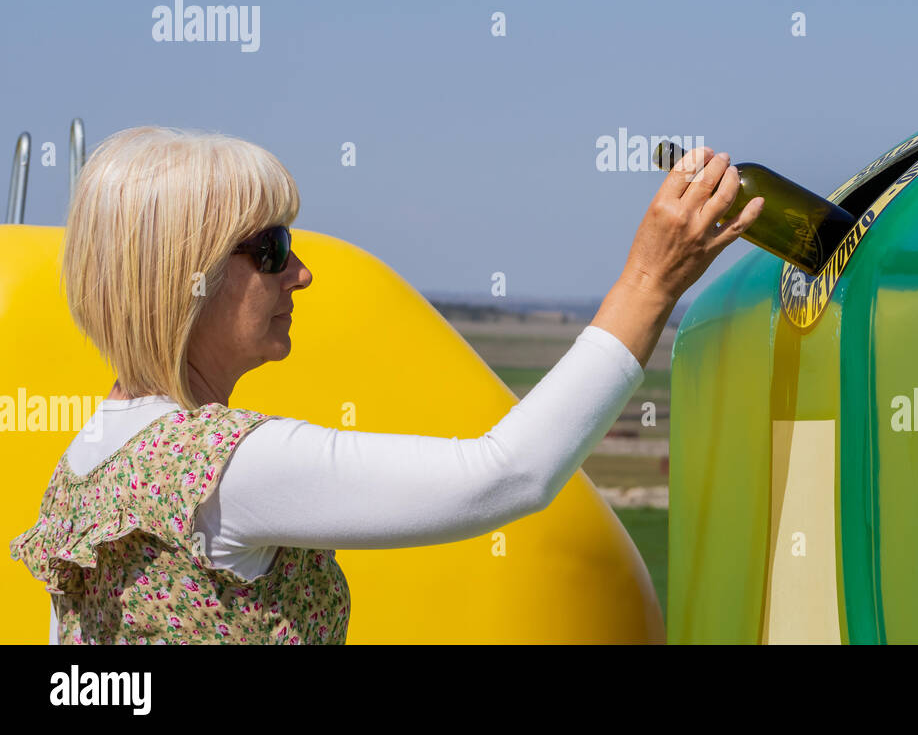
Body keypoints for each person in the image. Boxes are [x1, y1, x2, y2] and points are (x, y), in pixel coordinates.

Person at [8, 126, 764, 644]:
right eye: (271, 249)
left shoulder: (85, 463)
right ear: (189, 280)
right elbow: (509, 473)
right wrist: (650, 279)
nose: (300, 273)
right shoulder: (225, 465)